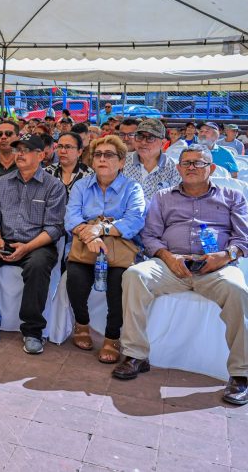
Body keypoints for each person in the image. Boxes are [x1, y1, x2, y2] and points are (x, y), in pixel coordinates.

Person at [113, 146, 248, 406]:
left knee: (238, 290)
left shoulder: (233, 196)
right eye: (186, 163)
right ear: (178, 168)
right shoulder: (163, 197)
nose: (191, 167)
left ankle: (241, 374)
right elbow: (150, 236)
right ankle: (135, 355)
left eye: (199, 163)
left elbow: (243, 240)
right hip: (171, 265)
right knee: (135, 275)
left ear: (211, 168)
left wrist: (224, 256)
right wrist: (168, 257)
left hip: (216, 267)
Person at [0, 134, 66, 354]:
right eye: (18, 150)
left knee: (38, 266)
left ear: (41, 155)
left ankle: (32, 331)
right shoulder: (2, 183)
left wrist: (27, 247)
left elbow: (54, 228)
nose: (20, 154)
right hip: (5, 239)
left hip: (37, 244)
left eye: (26, 150)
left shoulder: (54, 186)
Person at [65, 136, 146, 363]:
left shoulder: (132, 188)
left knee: (119, 282)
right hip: (86, 246)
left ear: (121, 162)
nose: (102, 159)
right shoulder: (81, 186)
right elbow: (71, 218)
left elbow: (134, 220)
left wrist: (100, 229)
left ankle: (112, 337)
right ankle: (82, 324)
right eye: (98, 155)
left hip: (119, 250)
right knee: (75, 277)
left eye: (109, 155)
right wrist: (89, 235)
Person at [122, 118, 181, 203]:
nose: (143, 142)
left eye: (150, 138)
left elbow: (176, 201)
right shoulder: (122, 162)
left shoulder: (173, 168)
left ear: (163, 143)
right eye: (140, 137)